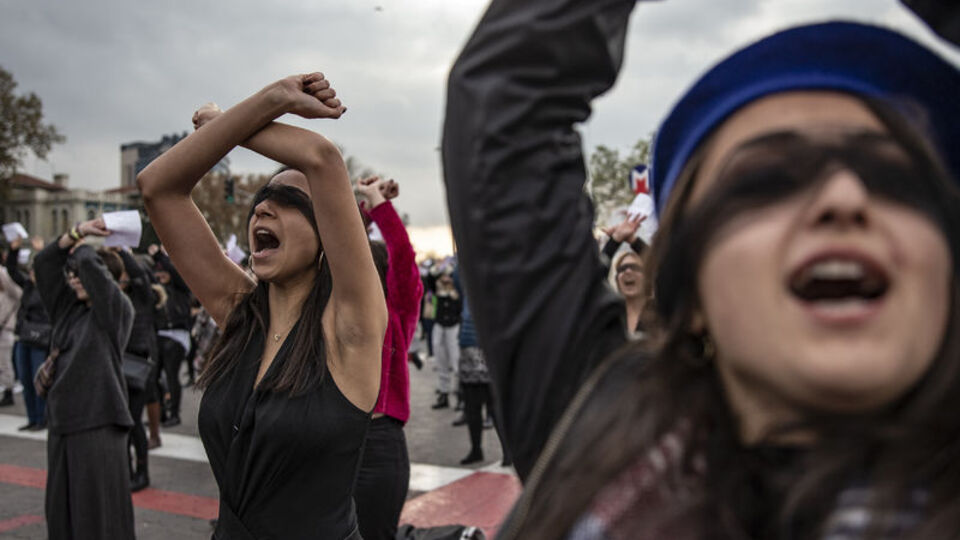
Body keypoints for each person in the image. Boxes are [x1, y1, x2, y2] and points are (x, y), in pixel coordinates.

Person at [444, 2, 960, 537]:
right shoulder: (594, 419)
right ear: (690, 298)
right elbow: (505, 107)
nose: (845, 196)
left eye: (895, 177)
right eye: (768, 178)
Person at [138, 72, 386, 540]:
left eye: (287, 201)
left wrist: (253, 109)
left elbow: (323, 159)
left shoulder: (351, 327)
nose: (262, 210)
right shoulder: (241, 315)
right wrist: (240, 118)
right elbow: (158, 187)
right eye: (260, 201)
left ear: (328, 234)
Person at [34, 219, 135, 539]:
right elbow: (44, 263)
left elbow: (94, 273)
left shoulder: (116, 312)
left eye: (80, 274)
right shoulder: (68, 310)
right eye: (72, 274)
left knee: (97, 518)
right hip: (63, 423)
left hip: (98, 425)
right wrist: (76, 234)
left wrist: (86, 250)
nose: (74, 279)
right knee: (61, 516)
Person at [353, 176, 423, 540]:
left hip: (379, 445)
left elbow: (403, 257)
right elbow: (329, 247)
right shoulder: (336, 310)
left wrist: (380, 207)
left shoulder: (397, 311)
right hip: (334, 439)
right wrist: (364, 213)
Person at [116, 247, 160, 492]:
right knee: (120, 423)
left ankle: (141, 472)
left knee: (133, 422)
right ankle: (125, 471)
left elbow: (140, 278)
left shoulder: (142, 297)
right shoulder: (113, 297)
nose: (121, 279)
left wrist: (124, 253)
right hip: (116, 364)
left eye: (125, 276)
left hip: (138, 365)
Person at [6, 236, 50, 428]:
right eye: (31, 270)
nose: (32, 273)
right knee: (25, 379)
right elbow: (12, 271)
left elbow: (51, 266)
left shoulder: (49, 289)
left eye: (36, 270)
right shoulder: (28, 286)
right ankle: (32, 418)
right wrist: (14, 250)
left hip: (40, 339)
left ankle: (42, 418)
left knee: (37, 380)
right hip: (24, 337)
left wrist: (40, 252)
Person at [150, 243, 192, 427]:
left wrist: (160, 255)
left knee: (171, 374)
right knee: (153, 377)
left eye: (164, 272)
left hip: (176, 336)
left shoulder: (181, 287)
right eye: (157, 273)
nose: (161, 276)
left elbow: (173, 271)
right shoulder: (157, 290)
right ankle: (160, 414)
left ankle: (175, 413)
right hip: (158, 335)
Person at [430, 271, 462, 410]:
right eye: (443, 276)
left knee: (456, 362)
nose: (446, 278)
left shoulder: (458, 290)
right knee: (441, 361)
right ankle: (444, 394)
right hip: (439, 326)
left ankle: (461, 396)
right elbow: (429, 278)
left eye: (448, 276)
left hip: (453, 328)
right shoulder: (438, 289)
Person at [0, 251, 22, 407]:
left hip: (4, 328)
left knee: (4, 362)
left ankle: (8, 391)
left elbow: (19, 294)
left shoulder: (8, 287)